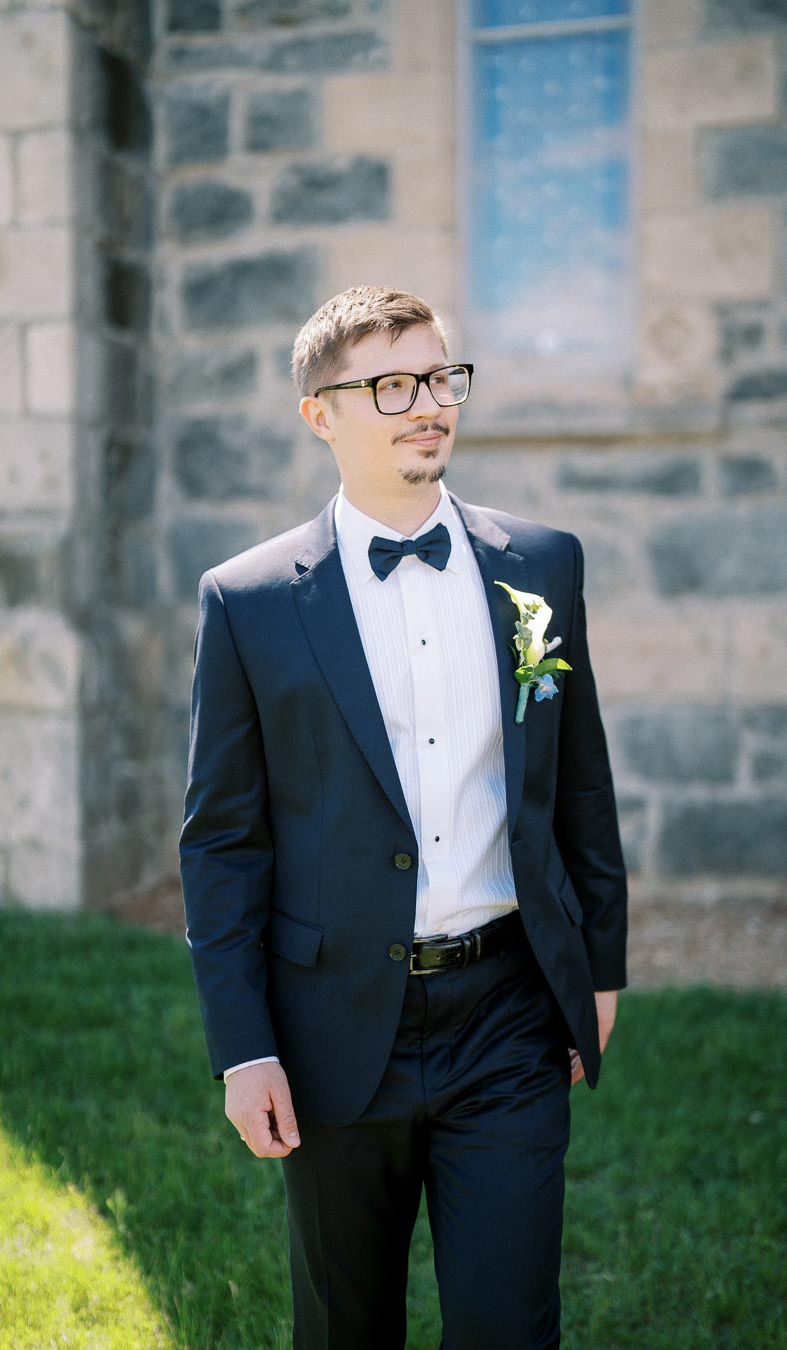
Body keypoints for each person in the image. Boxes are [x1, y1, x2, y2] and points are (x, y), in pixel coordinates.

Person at [180, 286, 627, 1349]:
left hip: (509, 1014)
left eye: (440, 377)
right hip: (331, 1026)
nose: (429, 403)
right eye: (391, 384)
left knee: (510, 1328)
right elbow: (222, 841)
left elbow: (579, 783)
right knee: (345, 1329)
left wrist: (599, 968)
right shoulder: (246, 602)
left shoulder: (542, 567)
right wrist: (244, 1050)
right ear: (320, 413)